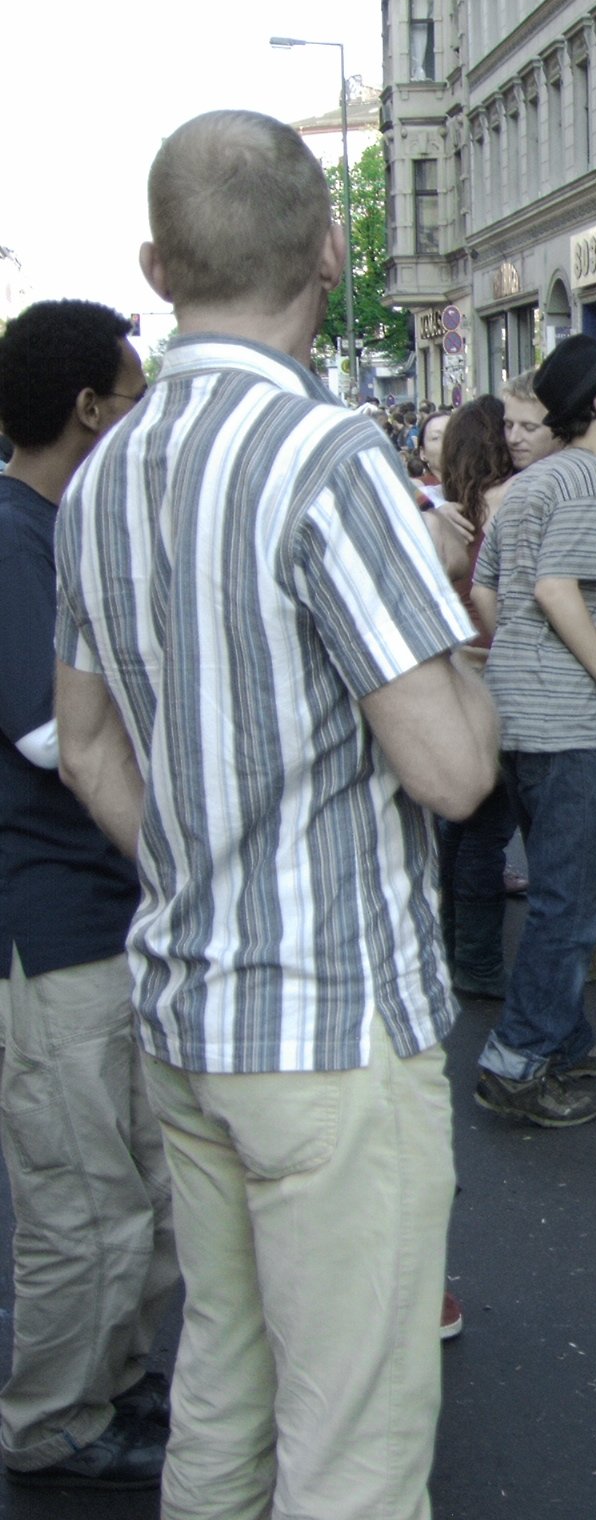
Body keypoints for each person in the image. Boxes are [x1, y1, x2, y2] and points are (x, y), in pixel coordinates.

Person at [52, 110, 499, 1517]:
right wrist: (447, 607)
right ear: (330, 247)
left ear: (155, 264)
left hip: (187, 1008)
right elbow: (452, 772)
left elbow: (82, 745)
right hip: (324, 1023)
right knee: (353, 1442)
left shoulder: (100, 473)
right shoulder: (328, 455)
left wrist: (199, 865)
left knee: (224, 1399)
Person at [0, 299, 178, 1492]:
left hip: (97, 909)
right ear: (87, 410)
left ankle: (108, 1378)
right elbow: (52, 737)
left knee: (137, 1182)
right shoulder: (14, 541)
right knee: (81, 1195)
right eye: (134, 396)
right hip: (51, 922)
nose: (144, 417)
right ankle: (55, 1422)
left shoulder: (51, 530)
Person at [470, 333, 596, 1128]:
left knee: (557, 888)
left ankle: (568, 1036)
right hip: (560, 720)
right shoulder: (586, 478)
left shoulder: (532, 481)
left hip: (513, 709)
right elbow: (553, 589)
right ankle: (515, 1060)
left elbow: (489, 592)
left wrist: (516, 663)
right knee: (570, 900)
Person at [425, 397, 520, 999]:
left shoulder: (441, 512)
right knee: (487, 830)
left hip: (452, 671)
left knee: (460, 827)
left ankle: (456, 948)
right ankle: (478, 965)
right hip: (496, 670)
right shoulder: (511, 501)